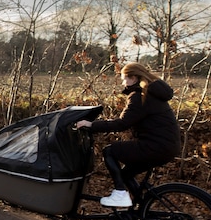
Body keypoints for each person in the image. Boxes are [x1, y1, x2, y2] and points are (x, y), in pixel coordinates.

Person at [74, 62, 181, 207]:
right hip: (167, 146)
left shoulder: (140, 96)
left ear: (134, 78)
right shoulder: (153, 93)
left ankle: (119, 193)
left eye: (124, 78)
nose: (123, 82)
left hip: (156, 146)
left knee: (110, 151)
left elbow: (122, 124)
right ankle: (141, 211)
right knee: (125, 174)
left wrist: (91, 125)